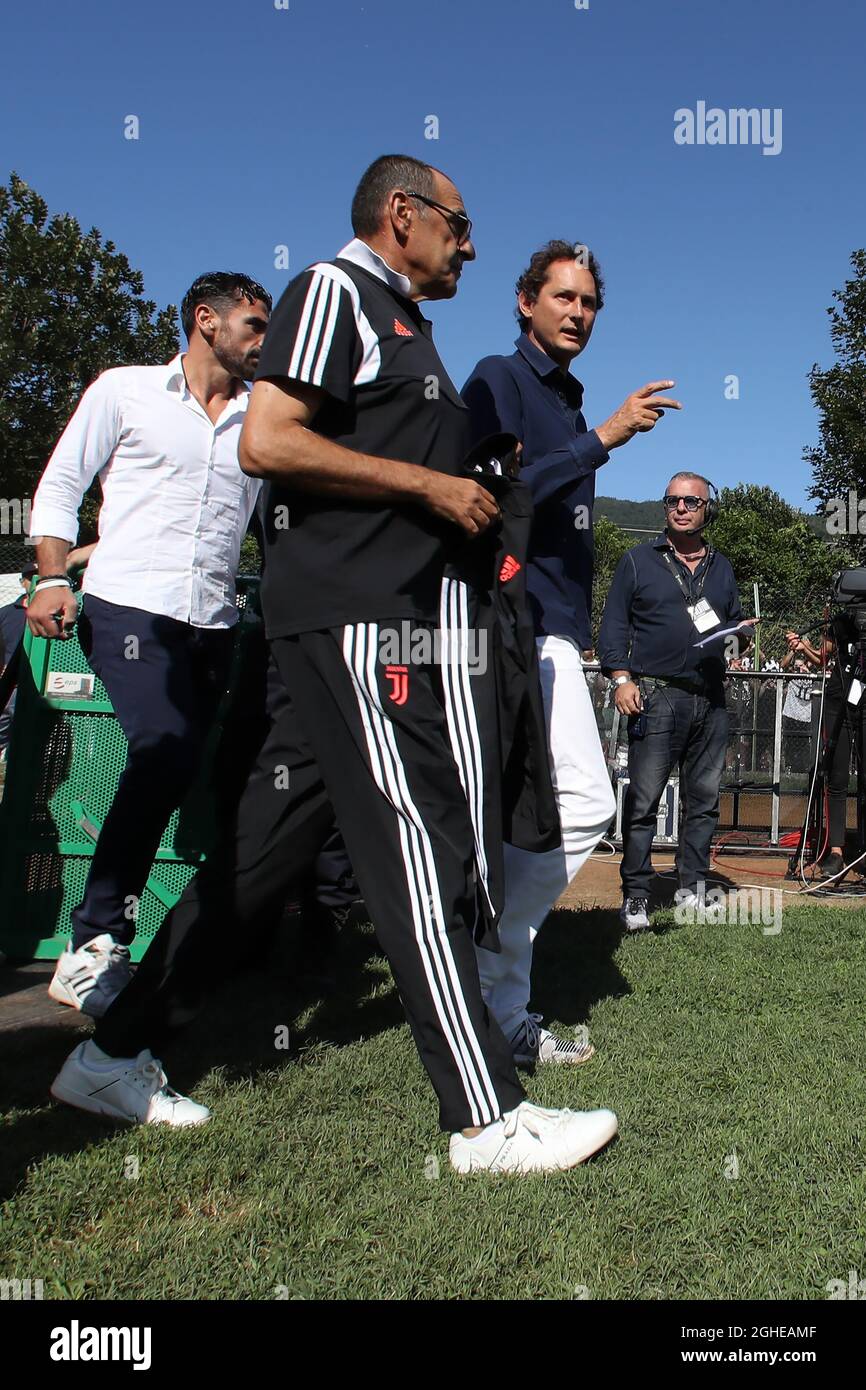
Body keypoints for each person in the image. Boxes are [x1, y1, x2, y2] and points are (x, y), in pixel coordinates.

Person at [50, 156, 618, 1175]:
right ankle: (484, 1118)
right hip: (354, 622)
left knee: (260, 859)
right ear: (400, 214)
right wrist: (427, 488)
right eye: (457, 222)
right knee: (415, 842)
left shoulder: (415, 329)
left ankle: (112, 1052)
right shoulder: (333, 291)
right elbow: (267, 440)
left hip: (385, 624)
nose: (470, 244)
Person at [28, 272, 272, 1015]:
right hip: (130, 606)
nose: (266, 341)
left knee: (189, 770)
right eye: (255, 326)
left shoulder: (265, 420)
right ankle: (93, 944)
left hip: (212, 623)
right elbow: (63, 480)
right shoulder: (124, 390)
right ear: (207, 320)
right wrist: (48, 577)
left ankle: (216, 946)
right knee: (164, 748)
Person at [461, 239, 680, 1062]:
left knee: (527, 818)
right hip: (508, 624)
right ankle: (485, 975)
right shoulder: (497, 377)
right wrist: (605, 441)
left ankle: (496, 1004)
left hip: (549, 631)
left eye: (589, 303)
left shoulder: (567, 397)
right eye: (564, 298)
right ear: (526, 301)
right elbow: (489, 492)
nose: (578, 314)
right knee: (584, 804)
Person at [599, 473, 756, 930]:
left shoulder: (722, 566)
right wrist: (622, 679)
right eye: (673, 500)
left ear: (709, 509)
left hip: (711, 697)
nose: (681, 507)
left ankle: (693, 889)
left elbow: (728, 629)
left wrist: (741, 636)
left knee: (703, 800)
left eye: (692, 500)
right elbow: (612, 629)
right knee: (645, 800)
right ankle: (637, 896)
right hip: (655, 694)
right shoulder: (637, 561)